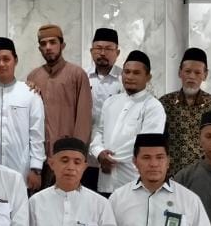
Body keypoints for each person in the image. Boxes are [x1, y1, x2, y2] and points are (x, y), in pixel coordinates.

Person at [0, 37, 45, 190]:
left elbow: (37, 134)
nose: (1, 64)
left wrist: (36, 169)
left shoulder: (30, 93)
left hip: (21, 171)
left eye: (6, 59)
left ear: (15, 60)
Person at [90, 51, 166, 195]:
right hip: (106, 182)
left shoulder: (153, 106)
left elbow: (145, 145)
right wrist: (99, 153)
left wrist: (109, 159)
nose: (130, 77)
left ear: (148, 77)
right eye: (127, 72)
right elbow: (99, 133)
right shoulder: (110, 102)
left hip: (133, 182)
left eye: (136, 73)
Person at [25, 24, 92, 182]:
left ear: (62, 45)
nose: (48, 47)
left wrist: (76, 156)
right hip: (40, 159)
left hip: (67, 158)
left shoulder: (77, 75)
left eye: (53, 42)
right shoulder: (33, 76)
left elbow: (83, 119)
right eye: (43, 44)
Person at [160, 48, 211, 175]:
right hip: (172, 174)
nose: (191, 76)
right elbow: (157, 140)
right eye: (187, 71)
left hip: (204, 175)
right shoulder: (165, 103)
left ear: (205, 75)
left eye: (197, 72)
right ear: (180, 73)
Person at [85, 28, 122, 191]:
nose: (102, 53)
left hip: (113, 156)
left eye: (108, 49)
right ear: (91, 51)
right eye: (98, 48)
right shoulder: (81, 77)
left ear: (117, 52)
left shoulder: (125, 79)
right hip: (85, 156)